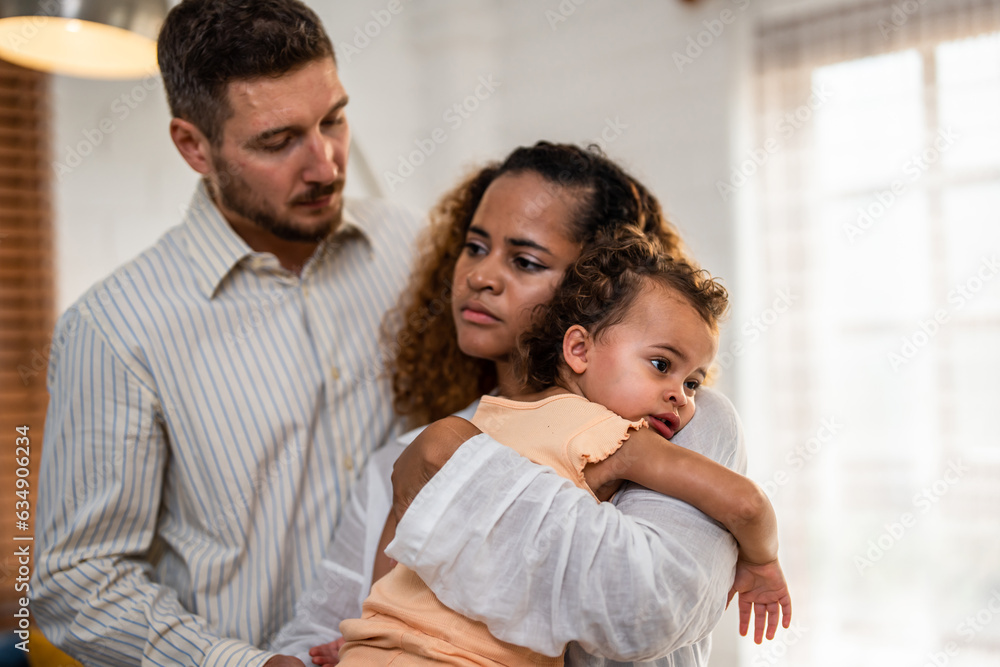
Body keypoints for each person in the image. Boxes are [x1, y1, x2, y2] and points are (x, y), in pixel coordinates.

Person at [33, 2, 421, 665]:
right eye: (278, 141)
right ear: (193, 146)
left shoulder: (410, 247)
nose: (325, 165)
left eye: (333, 119)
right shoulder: (114, 330)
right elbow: (77, 579)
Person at [269, 142, 757, 667]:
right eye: (475, 247)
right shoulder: (407, 452)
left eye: (524, 261)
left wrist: (455, 464)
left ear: (595, 293)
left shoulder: (684, 423)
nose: (480, 276)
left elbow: (639, 610)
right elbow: (324, 631)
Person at [334, 229, 792, 665]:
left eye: (693, 382)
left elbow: (404, 528)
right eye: (660, 364)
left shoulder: (487, 420)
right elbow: (746, 504)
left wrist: (367, 628)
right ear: (579, 350)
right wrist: (763, 561)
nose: (683, 397)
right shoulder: (611, 436)